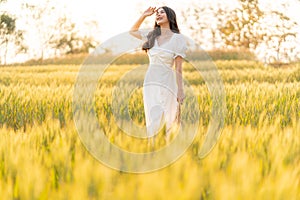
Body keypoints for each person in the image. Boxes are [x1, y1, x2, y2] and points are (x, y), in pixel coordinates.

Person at [129, 6, 187, 143]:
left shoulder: (178, 39)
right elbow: (132, 31)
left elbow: (179, 68)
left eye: (162, 12)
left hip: (168, 82)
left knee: (169, 116)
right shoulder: (151, 35)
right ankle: (153, 147)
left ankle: (169, 148)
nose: (158, 14)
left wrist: (180, 90)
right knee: (153, 116)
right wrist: (144, 15)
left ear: (170, 16)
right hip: (151, 82)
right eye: (157, 13)